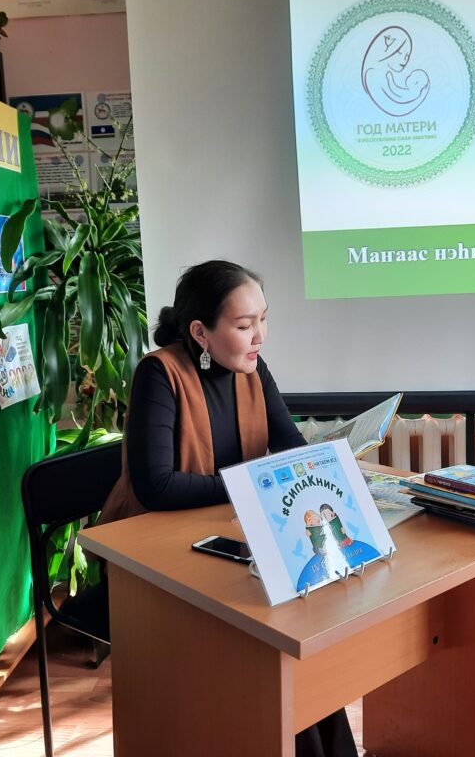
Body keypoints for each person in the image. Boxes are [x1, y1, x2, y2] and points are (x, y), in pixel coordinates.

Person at [101, 259, 358, 757]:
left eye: (263, 319)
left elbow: (289, 447)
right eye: (244, 326)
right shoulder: (159, 374)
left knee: (298, 633)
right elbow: (156, 487)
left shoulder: (254, 368)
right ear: (201, 332)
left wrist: (331, 461)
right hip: (152, 560)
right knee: (271, 639)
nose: (260, 336)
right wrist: (250, 483)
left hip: (223, 539)